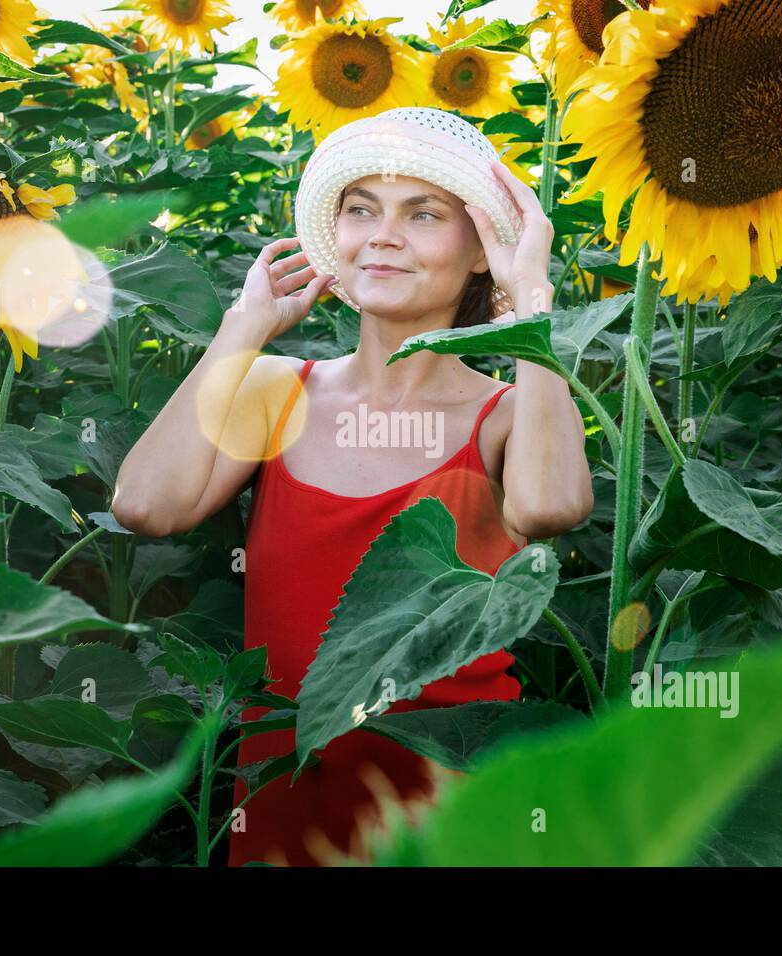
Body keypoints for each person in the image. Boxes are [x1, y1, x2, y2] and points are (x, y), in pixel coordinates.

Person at [113, 107, 594, 866]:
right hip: (286, 788)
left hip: (450, 796)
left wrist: (529, 293)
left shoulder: (502, 415)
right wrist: (245, 326)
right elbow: (146, 504)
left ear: (481, 252)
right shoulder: (279, 390)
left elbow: (550, 504)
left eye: (423, 214)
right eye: (361, 208)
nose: (383, 234)